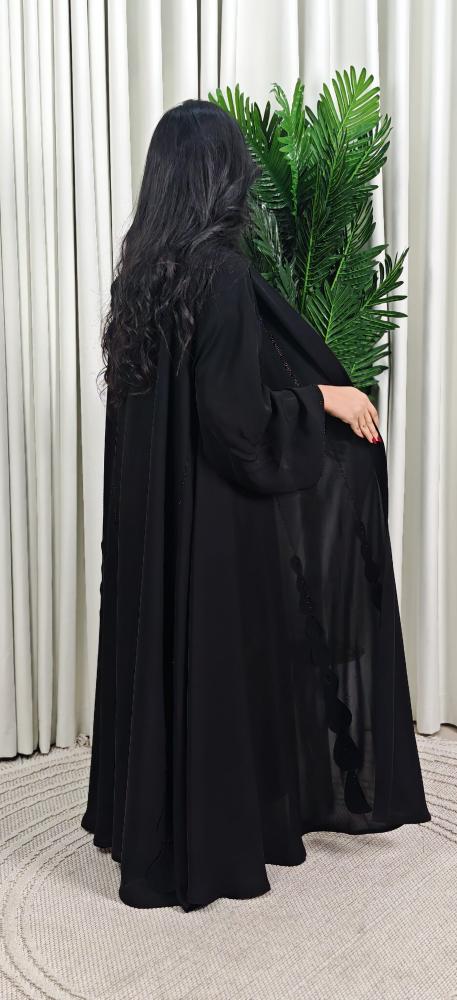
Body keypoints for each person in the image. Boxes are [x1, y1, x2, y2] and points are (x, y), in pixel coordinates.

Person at [81, 98, 431, 912]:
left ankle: (153, 822)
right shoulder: (225, 276)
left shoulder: (142, 274)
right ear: (223, 178)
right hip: (212, 525)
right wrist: (325, 400)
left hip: (156, 526)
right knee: (223, 660)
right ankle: (220, 838)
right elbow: (236, 424)